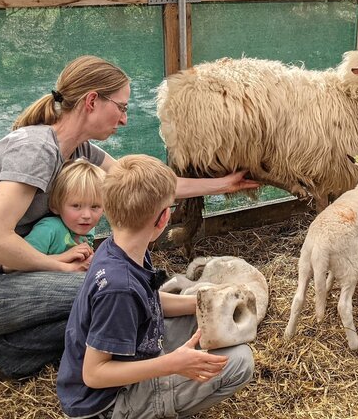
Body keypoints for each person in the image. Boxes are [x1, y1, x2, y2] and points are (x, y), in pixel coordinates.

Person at [0, 55, 259, 381]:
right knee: (103, 293)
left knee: (102, 301)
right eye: (122, 107)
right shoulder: (35, 150)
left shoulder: (79, 150)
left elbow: (149, 186)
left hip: (9, 279)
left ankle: (12, 343)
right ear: (92, 101)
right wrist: (59, 266)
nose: (125, 119)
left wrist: (225, 183)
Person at [57, 154, 254, 418]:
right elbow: (94, 374)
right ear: (163, 219)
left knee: (212, 319)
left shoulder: (120, 248)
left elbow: (150, 300)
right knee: (240, 361)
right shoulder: (119, 289)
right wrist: (171, 364)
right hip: (108, 403)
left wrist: (209, 301)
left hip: (131, 360)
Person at [22, 159, 105, 257]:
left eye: (95, 206)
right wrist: (64, 258)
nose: (87, 215)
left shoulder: (87, 227)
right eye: (76, 206)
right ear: (55, 206)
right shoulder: (48, 229)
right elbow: (20, 260)